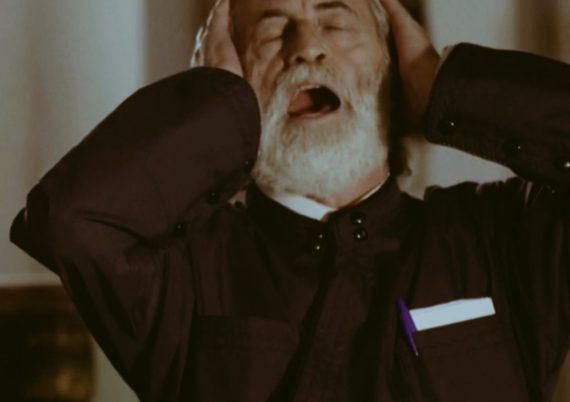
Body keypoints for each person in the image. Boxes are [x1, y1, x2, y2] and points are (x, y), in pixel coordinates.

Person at [9, 0, 569, 401]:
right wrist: (213, 107)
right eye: (273, 29)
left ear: (390, 63)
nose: (308, 49)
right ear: (233, 76)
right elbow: (71, 221)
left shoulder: (497, 237)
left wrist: (444, 85)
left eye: (336, 20)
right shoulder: (186, 270)